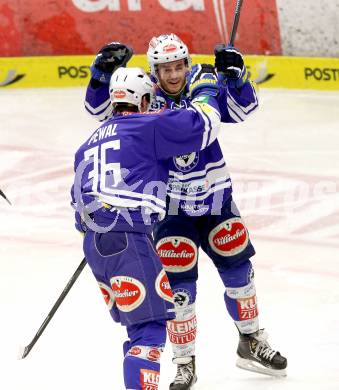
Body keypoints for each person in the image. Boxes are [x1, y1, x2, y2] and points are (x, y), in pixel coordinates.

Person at [84, 35, 287, 389]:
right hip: (170, 209)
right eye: (165, 68)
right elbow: (105, 115)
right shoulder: (146, 99)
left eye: (179, 66)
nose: (174, 74)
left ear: (187, 65)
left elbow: (244, 109)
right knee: (179, 291)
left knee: (240, 273)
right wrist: (101, 77)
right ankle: (184, 362)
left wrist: (236, 77)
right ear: (154, 71)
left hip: (215, 200)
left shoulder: (201, 82)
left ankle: (251, 341)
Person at [72, 66, 221, 390]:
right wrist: (207, 87)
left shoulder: (86, 145)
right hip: (129, 238)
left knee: (138, 329)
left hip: (97, 244)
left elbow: (77, 209)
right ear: (142, 100)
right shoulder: (146, 125)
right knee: (151, 329)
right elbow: (205, 125)